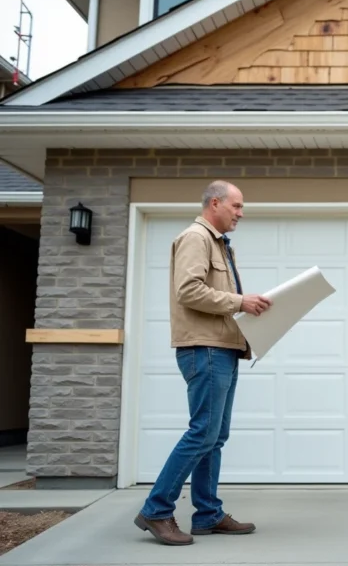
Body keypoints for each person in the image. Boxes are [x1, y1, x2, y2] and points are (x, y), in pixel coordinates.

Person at [134, 180, 272, 546]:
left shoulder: (220, 244)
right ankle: (156, 510)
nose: (241, 213)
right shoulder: (196, 238)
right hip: (205, 349)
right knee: (202, 433)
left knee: (215, 437)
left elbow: (213, 296)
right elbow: (189, 291)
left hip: (222, 348)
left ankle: (208, 514)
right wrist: (240, 301)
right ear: (215, 203)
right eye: (236, 206)